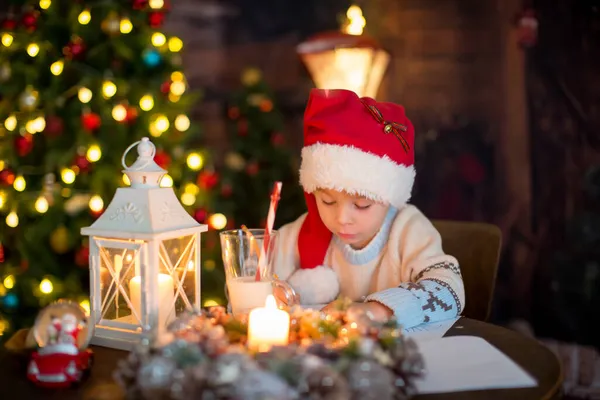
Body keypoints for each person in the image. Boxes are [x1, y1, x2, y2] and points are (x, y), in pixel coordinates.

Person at [273, 88, 465, 329]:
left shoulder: (407, 229)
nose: (342, 218)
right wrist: (277, 293)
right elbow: (258, 278)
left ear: (388, 197)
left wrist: (377, 310)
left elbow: (448, 291)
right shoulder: (302, 233)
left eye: (362, 205)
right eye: (327, 201)